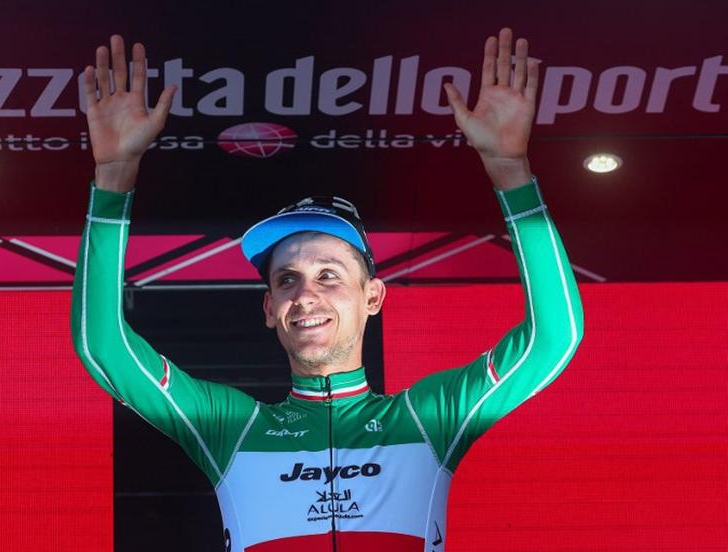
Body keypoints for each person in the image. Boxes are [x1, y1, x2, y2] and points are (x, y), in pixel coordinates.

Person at [72, 28, 584, 552]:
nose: (306, 295)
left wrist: (510, 172)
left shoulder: (429, 418)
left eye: (329, 276)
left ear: (374, 297)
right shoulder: (229, 428)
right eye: (287, 280)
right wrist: (114, 177)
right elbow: (103, 346)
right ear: (269, 308)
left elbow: (554, 338)